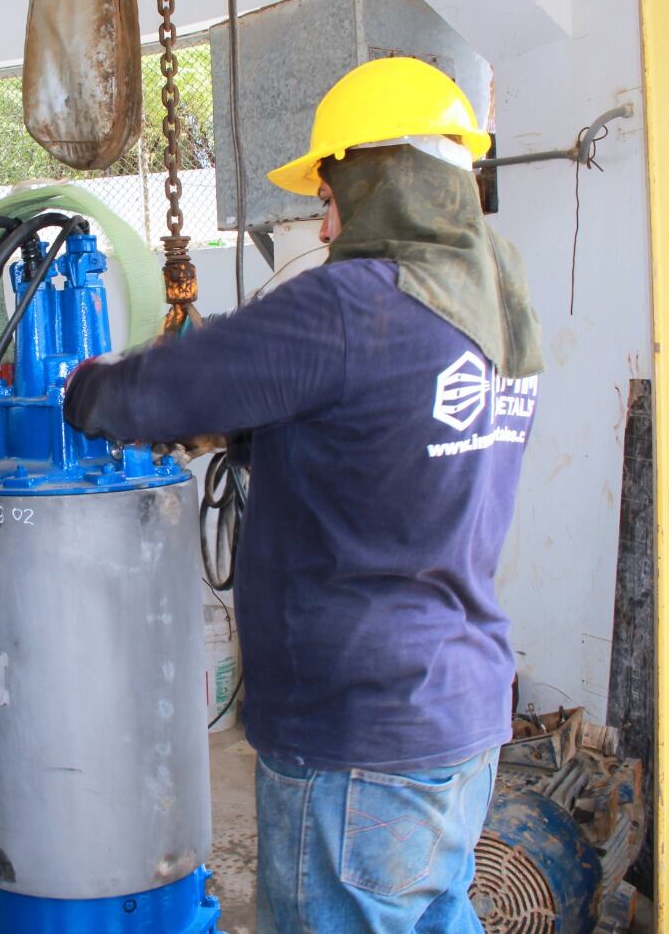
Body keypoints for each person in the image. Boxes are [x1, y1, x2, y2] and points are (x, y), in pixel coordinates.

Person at [64, 57, 545, 934]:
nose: (324, 227)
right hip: (456, 715)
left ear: (377, 179)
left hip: (355, 737)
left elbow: (159, 391)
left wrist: (86, 388)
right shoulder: (496, 301)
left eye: (329, 197)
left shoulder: (358, 303)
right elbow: (379, 441)